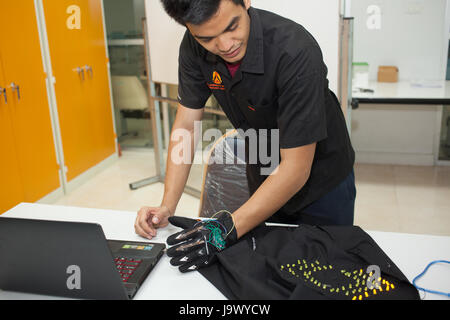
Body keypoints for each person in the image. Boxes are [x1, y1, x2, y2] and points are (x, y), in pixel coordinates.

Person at [135, 0, 356, 270]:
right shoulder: (193, 46)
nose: (226, 44)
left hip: (322, 181)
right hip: (265, 172)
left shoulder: (295, 50)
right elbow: (186, 126)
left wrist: (225, 229)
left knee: (328, 271)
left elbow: (296, 169)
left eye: (232, 27)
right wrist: (167, 207)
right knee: (273, 269)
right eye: (207, 38)